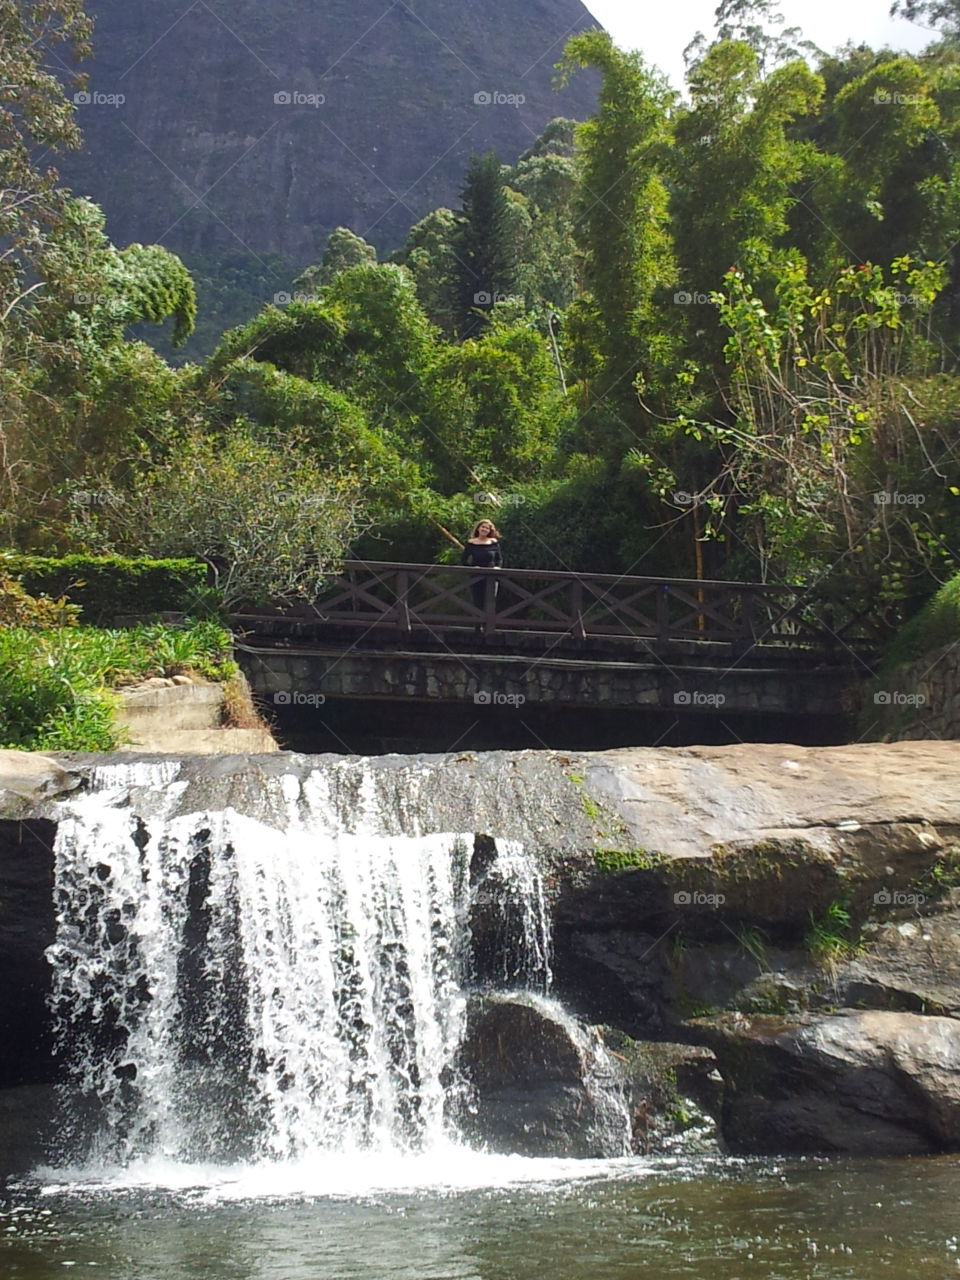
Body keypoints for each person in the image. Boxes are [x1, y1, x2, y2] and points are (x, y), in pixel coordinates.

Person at [461, 519, 502, 623]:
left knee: (490, 602)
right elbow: (463, 560)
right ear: (478, 528)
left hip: (491, 576)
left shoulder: (494, 542)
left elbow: (499, 559)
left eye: (487, 528)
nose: (484, 529)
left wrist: (497, 567)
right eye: (483, 527)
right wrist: (472, 568)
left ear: (490, 531)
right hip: (476, 577)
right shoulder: (471, 543)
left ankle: (488, 626)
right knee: (477, 602)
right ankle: (477, 626)